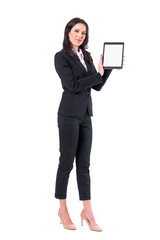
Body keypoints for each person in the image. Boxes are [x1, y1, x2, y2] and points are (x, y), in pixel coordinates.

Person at [54, 17, 112, 231]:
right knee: (66, 163)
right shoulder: (60, 57)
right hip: (68, 115)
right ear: (68, 32)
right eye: (76, 31)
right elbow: (72, 85)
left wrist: (107, 69)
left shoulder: (85, 56)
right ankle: (62, 208)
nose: (80, 35)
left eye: (83, 33)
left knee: (84, 166)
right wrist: (96, 75)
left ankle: (87, 212)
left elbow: (96, 86)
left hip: (86, 115)